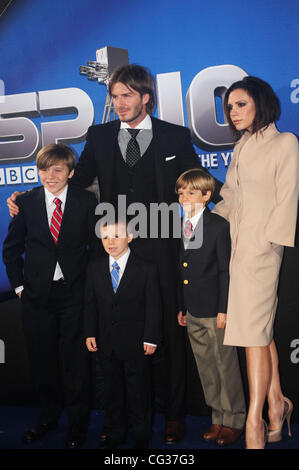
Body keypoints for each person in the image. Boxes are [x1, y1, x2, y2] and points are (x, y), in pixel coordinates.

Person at [6, 64, 222, 444]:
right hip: (113, 247)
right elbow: (74, 180)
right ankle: (116, 417)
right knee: (115, 334)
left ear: (146, 98)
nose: (118, 103)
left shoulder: (174, 136)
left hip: (162, 245)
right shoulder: (100, 135)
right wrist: (27, 198)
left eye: (126, 96)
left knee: (168, 333)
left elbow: (198, 179)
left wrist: (240, 200)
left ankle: (172, 416)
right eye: (114, 96)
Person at [213, 76, 299, 449]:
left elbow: (288, 195)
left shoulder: (285, 143)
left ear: (261, 103)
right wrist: (197, 223)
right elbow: (230, 199)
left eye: (241, 104)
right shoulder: (242, 147)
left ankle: (254, 422)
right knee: (259, 332)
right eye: (230, 107)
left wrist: (268, 245)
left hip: (262, 252)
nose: (233, 112)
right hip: (236, 250)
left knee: (250, 335)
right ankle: (278, 405)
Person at [2, 144, 98, 448]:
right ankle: (47, 417)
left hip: (74, 296)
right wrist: (19, 287)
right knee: (42, 362)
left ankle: (78, 424)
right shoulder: (26, 202)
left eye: (58, 169)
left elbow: (96, 250)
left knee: (76, 364)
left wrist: (89, 291)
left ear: (70, 172)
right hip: (36, 298)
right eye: (44, 169)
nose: (50, 175)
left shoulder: (86, 201)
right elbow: (10, 250)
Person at [176, 168, 246, 446]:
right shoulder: (178, 225)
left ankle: (235, 419)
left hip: (214, 310)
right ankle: (218, 418)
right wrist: (182, 306)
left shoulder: (218, 225)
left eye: (191, 192)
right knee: (206, 366)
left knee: (224, 365)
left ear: (207, 195)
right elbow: (181, 269)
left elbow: (223, 272)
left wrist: (223, 309)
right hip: (192, 309)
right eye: (181, 192)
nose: (184, 197)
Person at [84, 217, 162, 449]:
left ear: (130, 237)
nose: (111, 241)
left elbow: (154, 306)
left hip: (136, 342)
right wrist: (89, 332)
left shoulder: (147, 268)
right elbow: (90, 303)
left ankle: (140, 435)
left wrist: (151, 337)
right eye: (106, 237)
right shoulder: (95, 267)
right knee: (111, 390)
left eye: (117, 236)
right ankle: (114, 431)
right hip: (107, 341)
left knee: (138, 391)